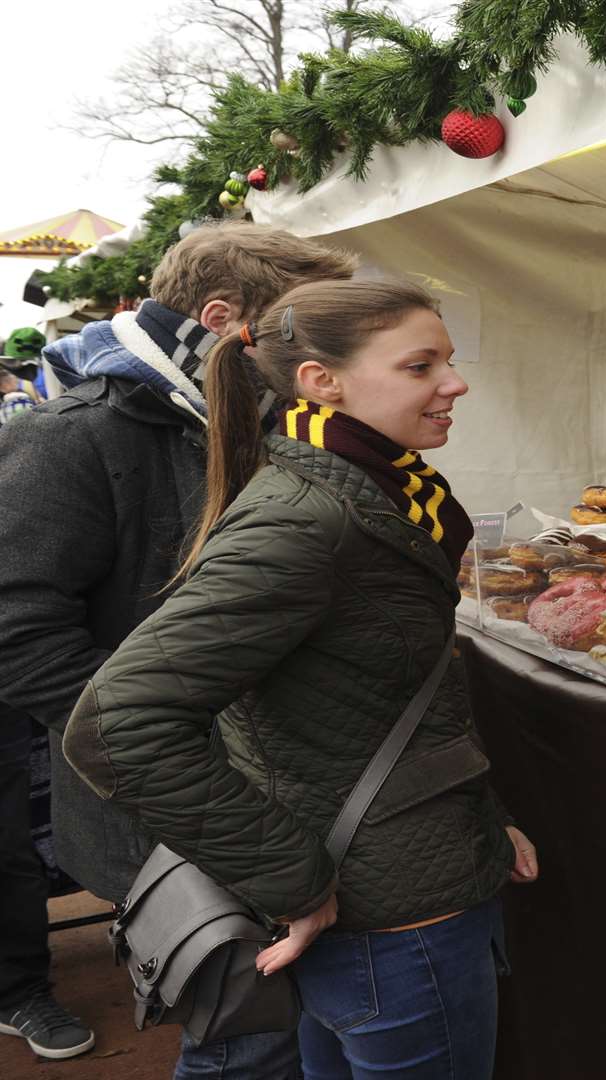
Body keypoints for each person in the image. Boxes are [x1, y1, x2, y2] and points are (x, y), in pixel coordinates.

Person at [63, 279, 536, 1080]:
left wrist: (481, 825)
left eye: (448, 362)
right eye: (422, 366)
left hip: (402, 887)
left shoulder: (377, 492)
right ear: (322, 381)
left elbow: (385, 703)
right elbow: (118, 723)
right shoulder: (306, 518)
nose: (455, 385)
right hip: (391, 922)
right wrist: (291, 878)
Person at [0, 223, 357, 1071]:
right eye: (290, 325)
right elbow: (15, 632)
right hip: (172, 800)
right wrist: (171, 745)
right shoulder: (67, 437)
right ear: (223, 316)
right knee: (246, 1028)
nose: (301, 348)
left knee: (296, 1012)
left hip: (280, 779)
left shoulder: (261, 417)